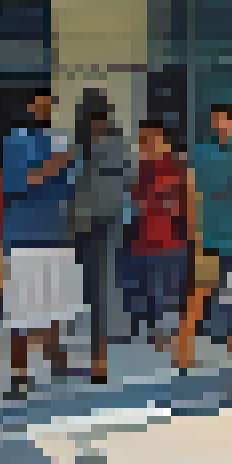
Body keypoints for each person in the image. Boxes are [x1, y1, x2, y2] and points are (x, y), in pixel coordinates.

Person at [3, 90, 80, 397]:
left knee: (56, 305)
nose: (46, 108)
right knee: (22, 310)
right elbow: (22, 181)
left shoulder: (60, 140)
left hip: (57, 233)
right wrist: (57, 163)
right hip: (24, 237)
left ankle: (56, 361)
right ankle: (19, 374)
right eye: (41, 103)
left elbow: (69, 187)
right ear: (31, 105)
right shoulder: (16, 139)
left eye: (51, 103)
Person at [70, 90, 132, 385]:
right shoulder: (98, 143)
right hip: (83, 222)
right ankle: (93, 358)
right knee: (89, 291)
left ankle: (99, 360)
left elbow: (119, 180)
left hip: (100, 223)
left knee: (99, 291)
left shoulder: (104, 144)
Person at [122, 121, 191, 356]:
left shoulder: (177, 167)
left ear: (164, 141)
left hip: (170, 242)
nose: (144, 146)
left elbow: (181, 205)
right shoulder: (141, 169)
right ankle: (156, 338)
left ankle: (172, 344)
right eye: (142, 141)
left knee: (169, 295)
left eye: (149, 139)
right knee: (147, 295)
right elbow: (135, 202)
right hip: (143, 242)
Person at [191, 105, 232, 359]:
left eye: (225, 121)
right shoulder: (202, 154)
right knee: (202, 294)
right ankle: (189, 352)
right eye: (217, 121)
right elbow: (192, 193)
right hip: (210, 238)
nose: (221, 125)